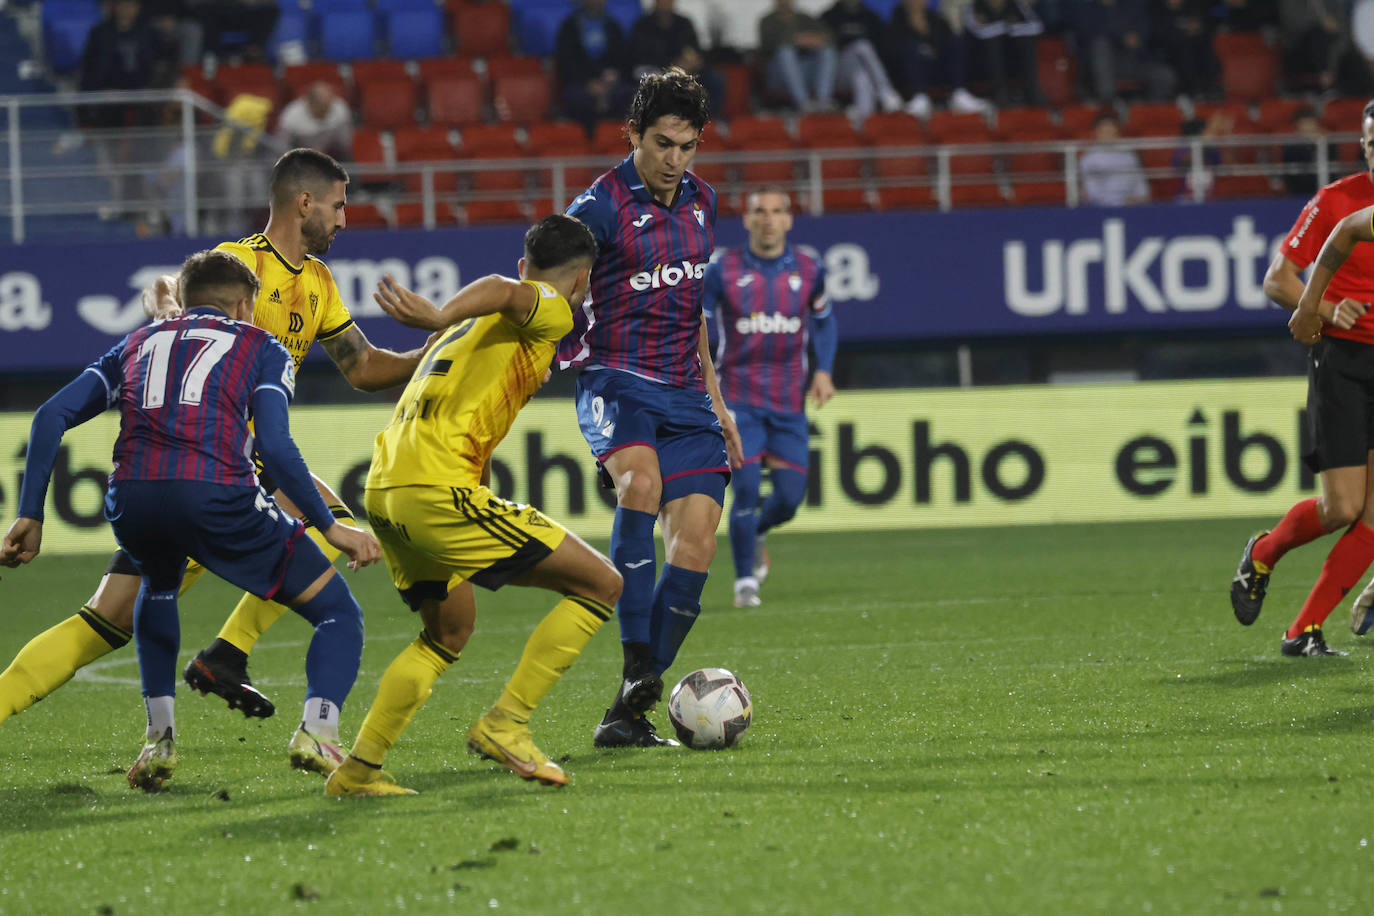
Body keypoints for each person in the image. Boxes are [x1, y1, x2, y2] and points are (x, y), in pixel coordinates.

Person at [0, 149, 432, 775]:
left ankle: (215, 667)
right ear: (304, 202)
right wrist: (170, 310)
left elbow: (362, 367)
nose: (345, 219)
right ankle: (230, 655)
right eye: (339, 205)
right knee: (110, 620)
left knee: (117, 615)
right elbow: (174, 311)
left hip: (179, 476)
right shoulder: (241, 263)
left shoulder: (320, 284)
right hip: (223, 469)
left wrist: (431, 350)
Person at [321, 215, 622, 797]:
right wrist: (437, 312)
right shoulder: (551, 306)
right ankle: (507, 723)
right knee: (600, 585)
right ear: (581, 280)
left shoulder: (465, 333)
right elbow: (507, 290)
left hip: (387, 488)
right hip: (433, 490)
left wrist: (442, 323)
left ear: (524, 261)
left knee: (448, 630)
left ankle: (357, 770)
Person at [558, 67, 743, 748]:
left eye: (688, 146)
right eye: (663, 144)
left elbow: (691, 308)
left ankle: (627, 712)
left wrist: (719, 406)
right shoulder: (596, 208)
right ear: (632, 134)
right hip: (614, 379)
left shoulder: (704, 202)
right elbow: (545, 296)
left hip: (686, 393)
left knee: (695, 539)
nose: (675, 160)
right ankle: (640, 659)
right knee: (640, 483)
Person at [1229, 99, 1374, 657]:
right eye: (1368, 140)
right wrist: (1325, 308)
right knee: (1342, 508)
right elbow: (1277, 278)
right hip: (1344, 360)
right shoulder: (1338, 200)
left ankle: (1303, 630)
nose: (1372, 148)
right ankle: (1264, 552)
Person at [702, 187, 836, 608]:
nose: (768, 219)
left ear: (789, 219)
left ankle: (758, 531)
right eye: (760, 211)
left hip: (788, 401)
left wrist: (824, 370)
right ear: (747, 219)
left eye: (777, 211)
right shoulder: (722, 271)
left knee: (790, 499)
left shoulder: (810, 269)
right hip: (738, 398)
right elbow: (698, 328)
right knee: (743, 490)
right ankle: (745, 584)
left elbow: (825, 323)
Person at [889, 0, 989, 118]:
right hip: (912, 73)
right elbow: (893, 52)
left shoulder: (935, 19)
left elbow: (944, 43)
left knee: (957, 40)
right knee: (910, 47)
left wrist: (928, 35)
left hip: (937, 69)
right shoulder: (897, 19)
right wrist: (915, 32)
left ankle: (959, 93)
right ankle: (920, 97)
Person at [555, 0, 635, 135]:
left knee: (628, 95)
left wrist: (612, 78)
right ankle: (586, 142)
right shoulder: (570, 26)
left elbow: (623, 59)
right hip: (581, 83)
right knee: (576, 98)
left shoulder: (612, 25)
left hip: (610, 84)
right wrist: (588, 83)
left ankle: (618, 140)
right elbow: (566, 61)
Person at [820, 0, 906, 120]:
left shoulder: (871, 16)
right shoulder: (829, 16)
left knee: (862, 76)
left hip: (862, 70)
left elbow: (884, 48)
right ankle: (886, 92)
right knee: (862, 46)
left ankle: (863, 122)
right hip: (837, 73)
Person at [759, 0, 838, 114]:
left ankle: (823, 99)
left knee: (828, 50)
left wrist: (812, 40)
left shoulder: (805, 19)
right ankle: (802, 102)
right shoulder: (767, 21)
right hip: (778, 75)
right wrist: (796, 39)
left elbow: (829, 37)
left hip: (805, 71)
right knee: (785, 52)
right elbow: (769, 44)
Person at [1079, 111, 1149, 206]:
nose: (1109, 136)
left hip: (1130, 205)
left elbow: (1141, 188)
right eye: (1105, 132)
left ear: (1117, 134)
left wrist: (1137, 199)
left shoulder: (1129, 156)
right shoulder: (1089, 159)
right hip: (1101, 208)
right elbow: (1092, 192)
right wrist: (1117, 203)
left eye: (1112, 132)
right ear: (1097, 134)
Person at [277, 82, 353, 163]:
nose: (326, 110)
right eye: (322, 106)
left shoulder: (340, 109)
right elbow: (280, 147)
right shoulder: (291, 115)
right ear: (310, 102)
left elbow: (345, 144)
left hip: (333, 157)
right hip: (299, 160)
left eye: (328, 106)